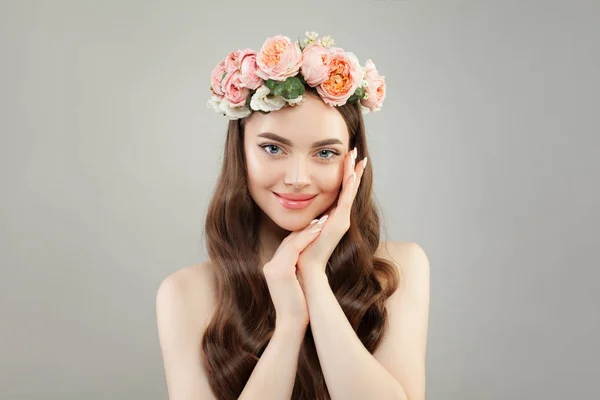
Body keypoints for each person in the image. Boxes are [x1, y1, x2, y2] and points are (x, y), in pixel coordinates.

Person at [156, 31, 430, 400]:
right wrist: (288, 325)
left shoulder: (398, 268)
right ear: (240, 153)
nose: (298, 179)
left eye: (325, 154)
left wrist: (313, 277)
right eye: (273, 148)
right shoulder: (186, 293)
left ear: (353, 161)